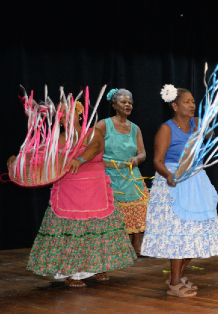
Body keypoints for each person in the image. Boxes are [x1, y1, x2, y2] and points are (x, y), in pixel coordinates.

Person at [11, 101, 136, 288]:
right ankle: (71, 272)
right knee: (71, 232)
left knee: (97, 229)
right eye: (60, 114)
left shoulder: (93, 132)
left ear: (79, 113)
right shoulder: (57, 139)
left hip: (95, 190)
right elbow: (37, 155)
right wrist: (16, 160)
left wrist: (80, 159)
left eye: (67, 112)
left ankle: (98, 266)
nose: (63, 116)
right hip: (68, 192)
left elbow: (94, 148)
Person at [141, 87, 218, 298]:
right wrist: (169, 176)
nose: (192, 105)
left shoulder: (196, 123)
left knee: (195, 234)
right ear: (174, 105)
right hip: (175, 182)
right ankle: (174, 283)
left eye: (193, 102)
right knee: (179, 235)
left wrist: (207, 125)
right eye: (187, 102)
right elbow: (157, 161)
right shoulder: (167, 129)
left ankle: (178, 275)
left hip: (196, 180)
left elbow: (211, 136)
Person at [95, 88, 148, 255]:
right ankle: (116, 247)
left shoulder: (134, 128)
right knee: (113, 213)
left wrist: (137, 159)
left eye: (130, 103)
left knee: (140, 208)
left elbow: (142, 152)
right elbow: (91, 147)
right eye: (123, 102)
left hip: (131, 175)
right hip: (110, 176)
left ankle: (137, 246)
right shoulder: (104, 125)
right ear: (114, 105)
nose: (128, 105)